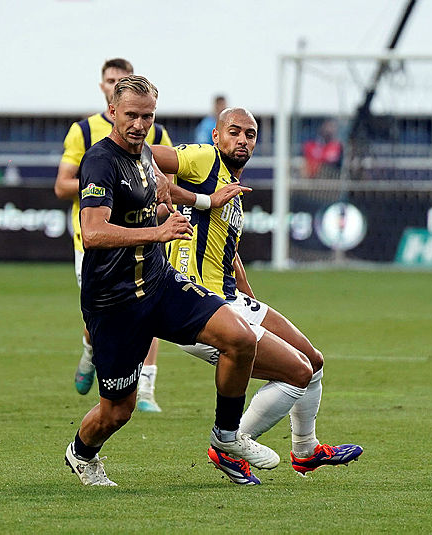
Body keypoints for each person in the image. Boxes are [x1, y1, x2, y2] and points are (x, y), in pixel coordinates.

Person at [64, 75, 278, 487]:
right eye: (131, 115)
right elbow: (93, 232)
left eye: (148, 116)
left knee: (240, 339)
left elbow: (163, 197)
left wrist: (198, 204)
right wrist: (156, 233)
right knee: (118, 410)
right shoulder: (100, 161)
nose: (140, 124)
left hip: (161, 284)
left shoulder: (145, 157)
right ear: (112, 111)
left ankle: (228, 436)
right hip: (116, 302)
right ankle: (81, 453)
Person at [152, 107, 362, 483]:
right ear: (216, 136)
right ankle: (230, 443)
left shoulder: (232, 184)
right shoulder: (203, 159)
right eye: (234, 132)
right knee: (296, 372)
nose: (243, 140)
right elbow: (145, 155)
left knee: (313, 362)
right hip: (197, 305)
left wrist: (249, 296)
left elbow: (226, 248)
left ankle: (306, 450)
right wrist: (201, 200)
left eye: (250, 134)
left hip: (231, 297)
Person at [54, 58, 172, 412]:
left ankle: (147, 388)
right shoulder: (86, 133)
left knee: (150, 307)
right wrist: (107, 188)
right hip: (97, 244)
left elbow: (162, 187)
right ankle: (90, 350)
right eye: (110, 80)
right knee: (100, 318)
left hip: (147, 239)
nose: (140, 123)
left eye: (121, 78)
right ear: (108, 94)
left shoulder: (155, 135)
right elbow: (62, 185)